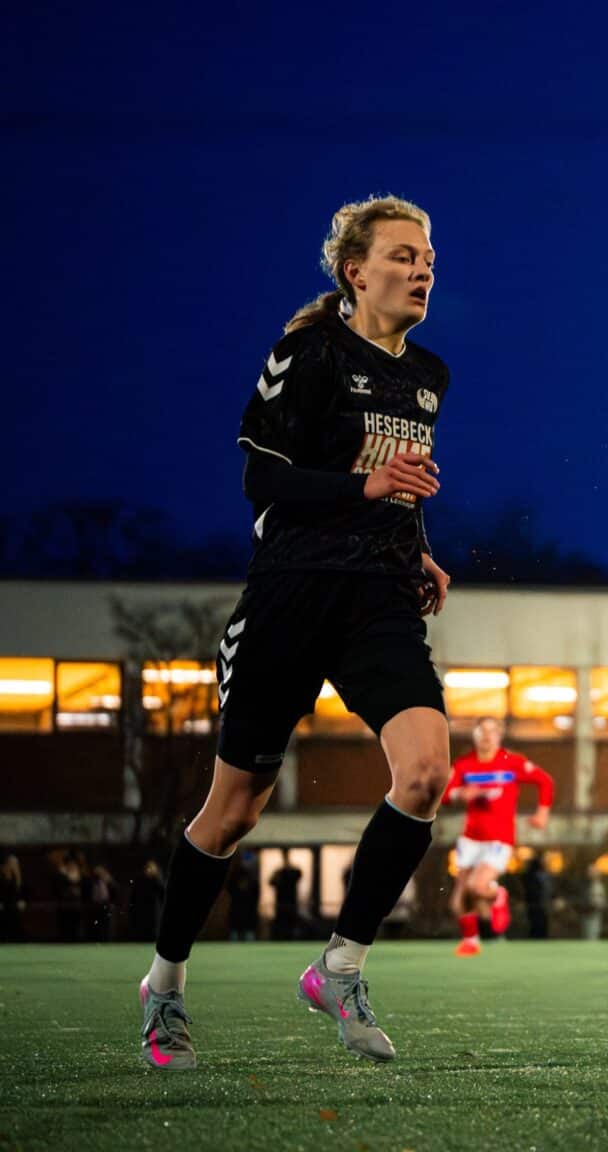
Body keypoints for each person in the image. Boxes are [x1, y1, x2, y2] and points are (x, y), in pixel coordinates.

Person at [138, 196, 452, 1070]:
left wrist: (421, 550)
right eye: (402, 256)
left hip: (377, 601)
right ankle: (163, 988)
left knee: (426, 771)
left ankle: (340, 967)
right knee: (233, 811)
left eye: (428, 257)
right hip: (289, 597)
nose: (422, 269)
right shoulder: (307, 351)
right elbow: (261, 480)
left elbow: (401, 480)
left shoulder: (429, 374)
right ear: (356, 272)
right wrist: (365, 492)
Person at [443, 717, 554, 957]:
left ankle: (498, 894)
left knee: (477, 885)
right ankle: (471, 941)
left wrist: (542, 813)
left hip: (499, 839)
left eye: (492, 731)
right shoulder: (464, 765)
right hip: (470, 839)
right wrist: (461, 793)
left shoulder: (511, 762)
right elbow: (444, 795)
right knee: (458, 900)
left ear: (499, 736)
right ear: (474, 735)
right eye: (482, 731)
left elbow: (545, 781)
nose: (487, 735)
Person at [269, 856, 305, 941]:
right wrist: (277, 873)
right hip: (281, 904)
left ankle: (290, 937)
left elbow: (299, 874)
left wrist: (290, 868)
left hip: (290, 903)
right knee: (282, 923)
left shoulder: (292, 873)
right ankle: (280, 938)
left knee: (290, 923)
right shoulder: (279, 874)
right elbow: (271, 882)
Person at [0, 854, 24, 942]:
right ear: (8, 863)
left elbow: (20, 891)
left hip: (12, 904)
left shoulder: (16, 876)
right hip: (3, 904)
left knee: (14, 916)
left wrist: (21, 900)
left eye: (16, 863)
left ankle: (14, 939)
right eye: (13, 863)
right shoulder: (1, 873)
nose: (15, 865)